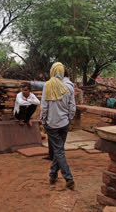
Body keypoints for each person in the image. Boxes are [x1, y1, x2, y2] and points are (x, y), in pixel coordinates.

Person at [41, 62, 76, 190]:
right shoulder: (70, 86)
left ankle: (69, 178)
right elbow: (72, 107)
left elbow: (44, 106)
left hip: (52, 123)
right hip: (64, 123)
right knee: (58, 149)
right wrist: (70, 119)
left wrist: (43, 120)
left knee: (59, 150)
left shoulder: (48, 85)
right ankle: (53, 175)